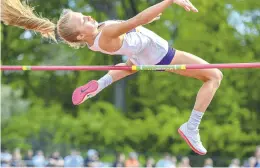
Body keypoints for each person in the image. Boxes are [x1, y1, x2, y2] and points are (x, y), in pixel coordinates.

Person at [1, 0, 223, 155]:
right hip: (161, 56)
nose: (88, 16)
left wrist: (148, 21)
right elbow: (134, 21)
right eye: (83, 20)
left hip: (141, 55)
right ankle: (191, 127)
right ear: (80, 35)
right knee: (214, 76)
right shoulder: (105, 33)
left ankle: (99, 84)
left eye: (84, 15)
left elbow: (133, 28)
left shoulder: (96, 36)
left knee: (129, 66)